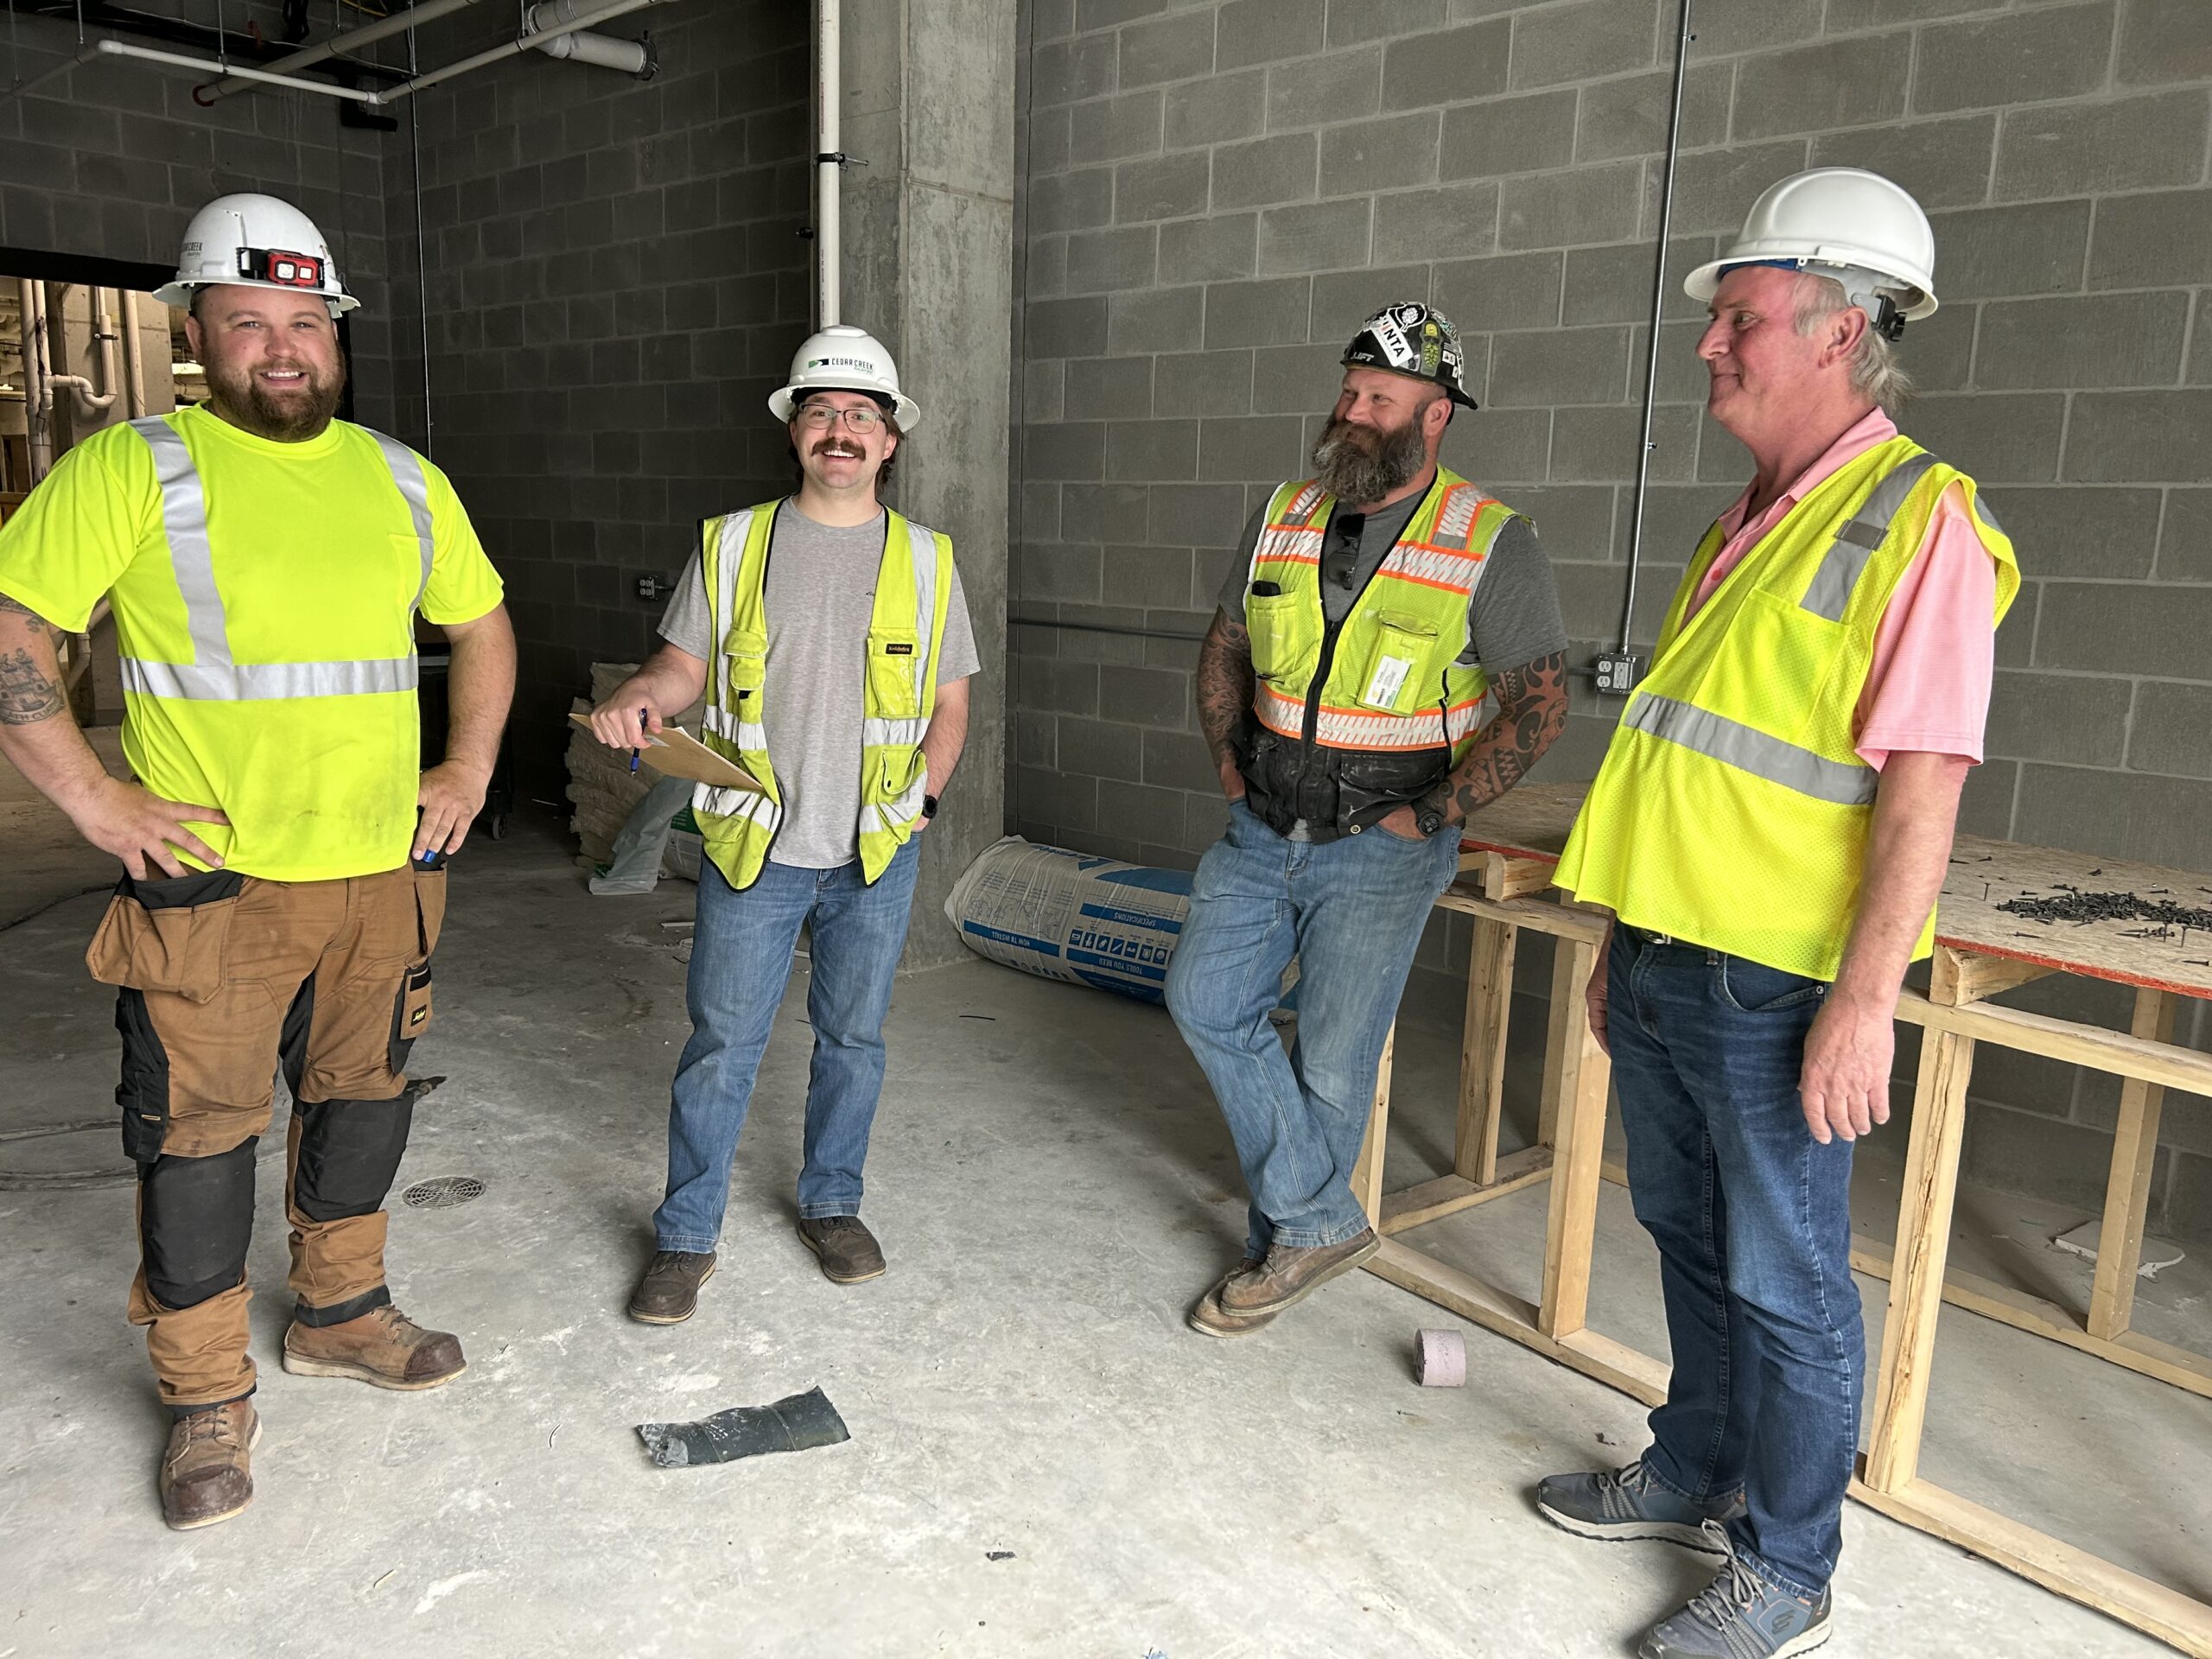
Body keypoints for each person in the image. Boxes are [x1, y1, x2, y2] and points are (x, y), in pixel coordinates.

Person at [1538, 168, 2018, 1659]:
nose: (1707, 345)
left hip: (1782, 988)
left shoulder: (1919, 521)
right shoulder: (1746, 521)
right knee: (1685, 1231)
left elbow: (1922, 792)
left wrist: (1866, 1003)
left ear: (1838, 328)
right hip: (1679, 958)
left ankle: (1789, 1566)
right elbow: (1693, 764)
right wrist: (1626, 939)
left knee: (1791, 1282)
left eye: (1735, 317)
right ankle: (1695, 1461)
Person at [0, 194, 514, 1529]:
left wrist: (463, 769)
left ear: (334, 331)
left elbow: (486, 622)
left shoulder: (405, 477)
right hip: (212, 895)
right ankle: (204, 1392)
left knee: (364, 1101)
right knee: (195, 1145)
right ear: (196, 331)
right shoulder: (134, 469)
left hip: (383, 874)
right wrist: (96, 802)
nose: (281, 349)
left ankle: (341, 1312)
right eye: (247, 323)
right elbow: (14, 634)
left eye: (304, 322)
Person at [1164, 302, 1570, 1337]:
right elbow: (1225, 644)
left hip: (1383, 843)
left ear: (1434, 416)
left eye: (1376, 398)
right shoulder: (1284, 510)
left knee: (1335, 1058)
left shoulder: (1490, 538)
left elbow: (1540, 703)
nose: (1349, 413)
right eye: (1346, 392)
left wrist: (1433, 812)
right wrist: (1224, 760)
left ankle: (1287, 1239)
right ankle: (1318, 1220)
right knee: (1207, 1003)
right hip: (1261, 824)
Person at [594, 324, 978, 1323]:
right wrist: (643, 693)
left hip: (875, 850)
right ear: (795, 431)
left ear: (890, 441)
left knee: (853, 1039)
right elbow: (681, 665)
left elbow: (948, 705)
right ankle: (685, 1236)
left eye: (860, 416)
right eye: (822, 412)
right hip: (755, 845)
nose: (840, 431)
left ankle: (832, 1206)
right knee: (722, 1042)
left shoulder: (930, 562)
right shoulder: (730, 544)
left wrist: (921, 806)